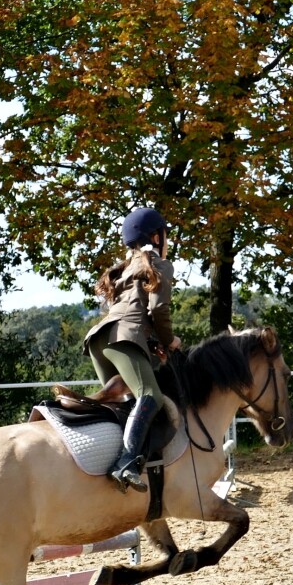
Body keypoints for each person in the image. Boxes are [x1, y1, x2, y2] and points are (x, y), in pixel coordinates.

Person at [83, 207, 179, 490]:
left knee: (121, 404)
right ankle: (126, 463)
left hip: (99, 339)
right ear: (156, 237)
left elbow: (132, 312)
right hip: (123, 338)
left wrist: (152, 343)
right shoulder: (159, 264)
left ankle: (102, 462)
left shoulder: (124, 268)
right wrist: (169, 340)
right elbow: (158, 310)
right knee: (150, 396)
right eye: (165, 235)